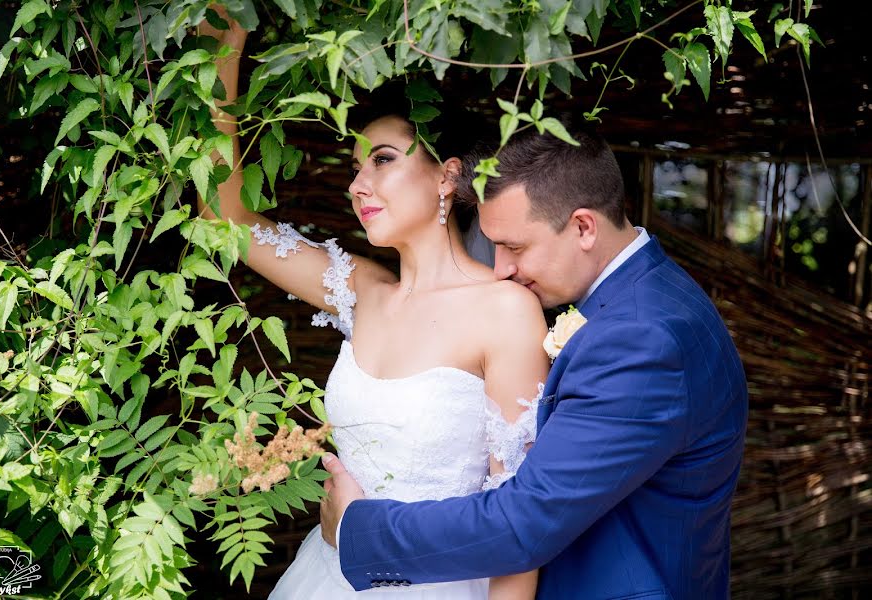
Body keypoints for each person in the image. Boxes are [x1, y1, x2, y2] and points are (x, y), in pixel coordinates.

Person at [196, 10, 547, 600]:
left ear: (447, 176)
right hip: (327, 577)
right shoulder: (362, 291)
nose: (358, 184)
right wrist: (221, 53)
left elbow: (519, 523)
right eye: (357, 167)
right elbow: (224, 218)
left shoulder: (505, 310)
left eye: (382, 160)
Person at [320, 120, 750, 599]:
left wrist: (356, 530)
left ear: (583, 226)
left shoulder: (640, 339)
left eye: (514, 246)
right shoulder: (651, 297)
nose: (501, 268)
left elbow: (524, 523)